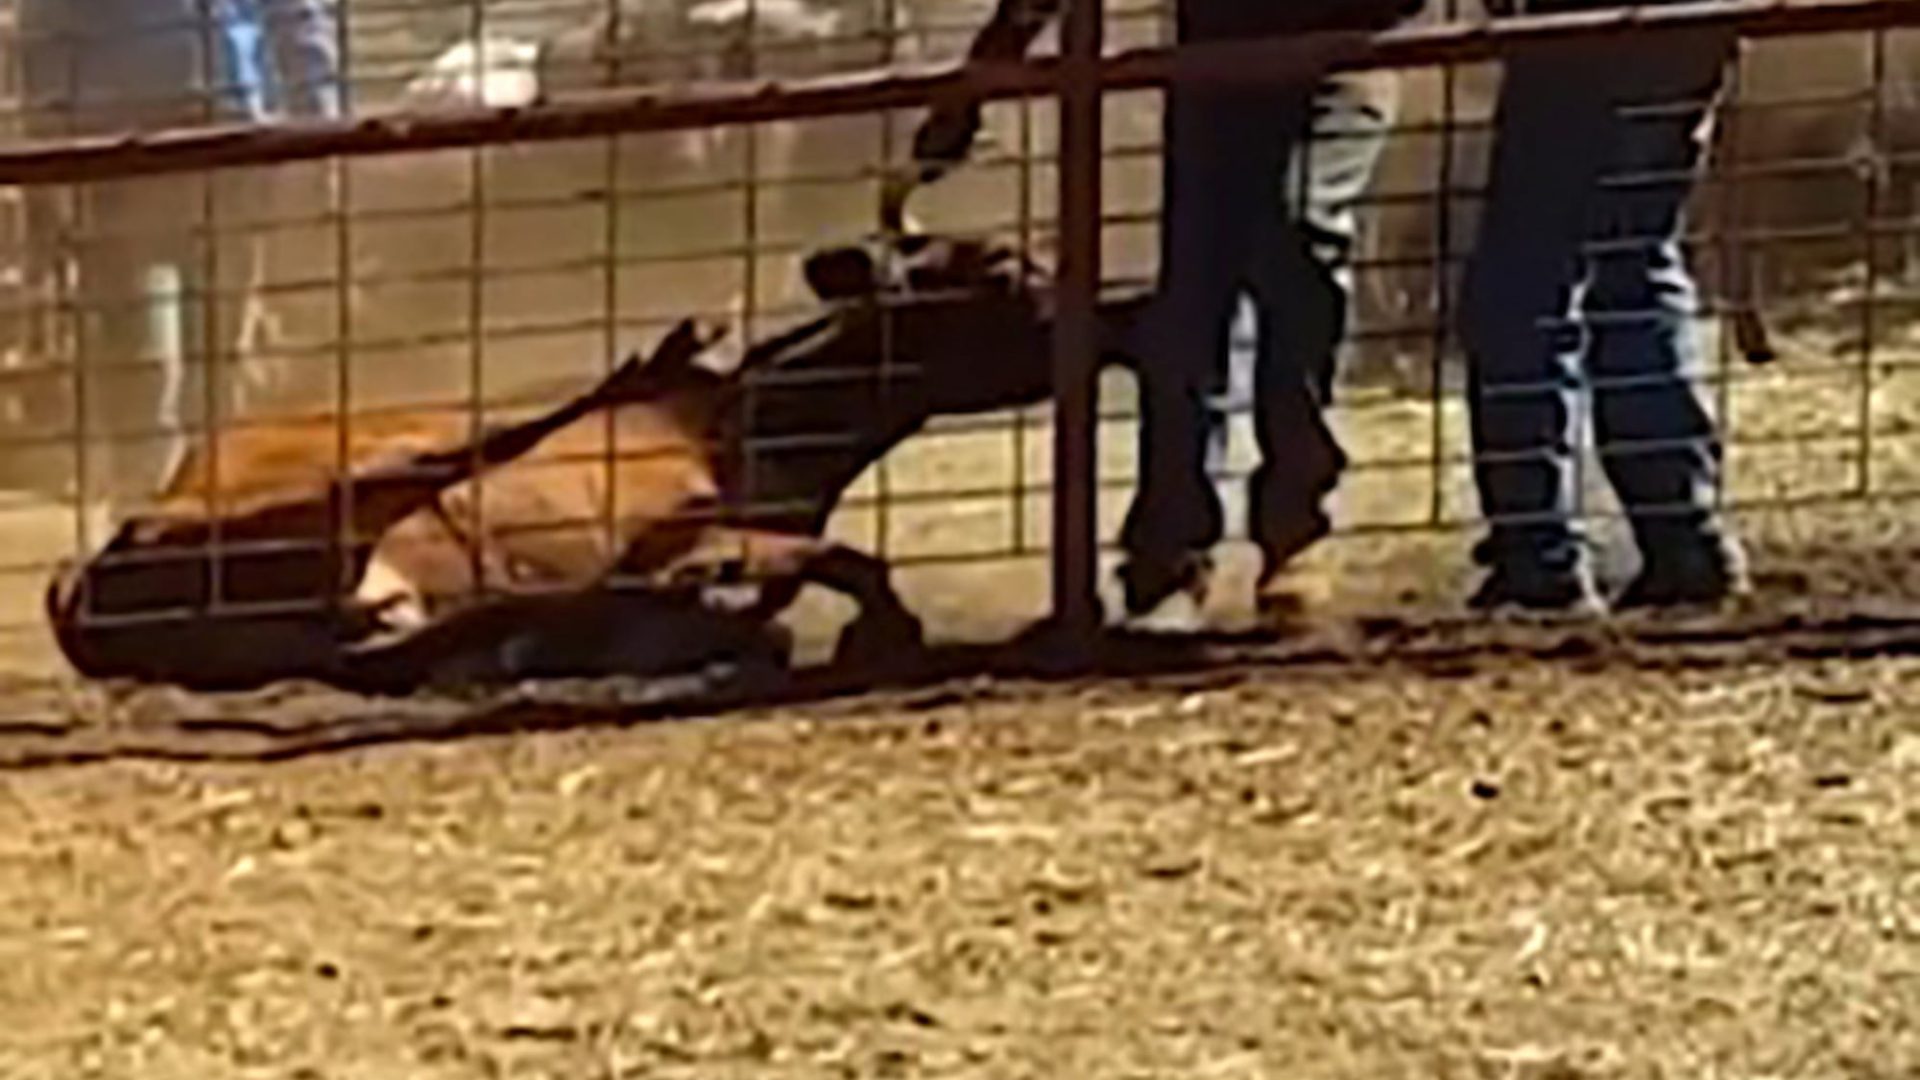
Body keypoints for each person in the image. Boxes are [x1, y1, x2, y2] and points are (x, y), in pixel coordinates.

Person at [912, 0, 1417, 624]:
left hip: (1329, 57)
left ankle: (1286, 531)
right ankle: (1173, 554)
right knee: (1199, 296)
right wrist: (984, 72)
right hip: (1217, 72)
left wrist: (980, 76)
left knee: (1294, 242)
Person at [1458, 11, 1748, 613]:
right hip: (1689, 32)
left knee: (1529, 278)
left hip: (1581, 29)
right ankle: (1682, 533)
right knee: (1633, 257)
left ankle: (1541, 553)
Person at [15, 0, 342, 502]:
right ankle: (144, 513)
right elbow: (43, 36)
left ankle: (210, 507)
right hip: (124, 153)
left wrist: (320, 127)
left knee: (220, 356)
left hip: (227, 141)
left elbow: (295, 16)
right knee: (142, 363)